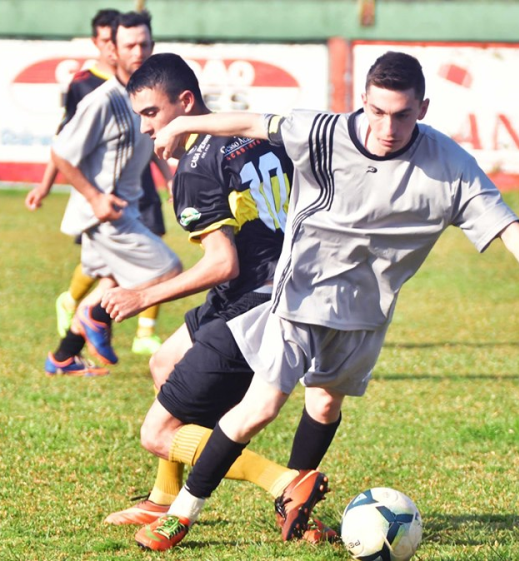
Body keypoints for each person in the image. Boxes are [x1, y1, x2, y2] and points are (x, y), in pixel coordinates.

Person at [133, 50, 519, 550]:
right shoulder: (326, 132)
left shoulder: (451, 167)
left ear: (423, 108)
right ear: (364, 103)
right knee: (260, 406)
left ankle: (297, 504)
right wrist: (185, 127)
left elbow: (505, 223)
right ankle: (180, 515)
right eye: (376, 111)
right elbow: (250, 120)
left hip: (366, 309)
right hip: (301, 290)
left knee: (326, 404)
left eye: (401, 114)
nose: (387, 127)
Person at [97, 53, 335, 544]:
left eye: (151, 114)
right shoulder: (256, 132)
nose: (146, 128)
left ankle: (285, 482)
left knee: (158, 434)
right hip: (267, 284)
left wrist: (143, 295)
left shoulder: (198, 166)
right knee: (163, 364)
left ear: (186, 103)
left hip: (256, 301)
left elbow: (221, 263)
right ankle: (163, 499)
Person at [42, 11, 182, 376]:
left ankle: (63, 358)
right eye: (130, 45)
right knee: (169, 272)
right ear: (113, 50)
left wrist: (171, 177)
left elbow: (150, 143)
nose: (139, 51)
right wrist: (95, 198)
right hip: (106, 215)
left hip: (126, 209)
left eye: (145, 44)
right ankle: (94, 315)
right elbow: (60, 152)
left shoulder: (142, 95)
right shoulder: (102, 100)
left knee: (110, 281)